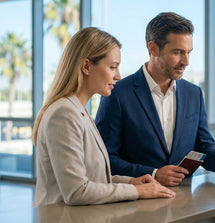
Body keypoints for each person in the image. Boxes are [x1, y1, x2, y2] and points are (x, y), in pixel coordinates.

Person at [95, 12, 215, 187]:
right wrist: (153, 174)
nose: (186, 61)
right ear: (153, 48)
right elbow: (105, 158)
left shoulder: (194, 94)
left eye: (188, 53)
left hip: (185, 201)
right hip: (135, 200)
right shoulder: (118, 94)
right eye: (178, 52)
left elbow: (203, 145)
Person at [32, 27, 175, 207]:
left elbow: (94, 177)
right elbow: (77, 192)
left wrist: (130, 182)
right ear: (86, 66)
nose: (118, 75)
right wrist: (138, 192)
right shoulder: (64, 114)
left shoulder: (78, 110)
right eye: (112, 67)